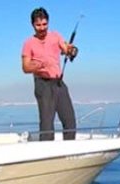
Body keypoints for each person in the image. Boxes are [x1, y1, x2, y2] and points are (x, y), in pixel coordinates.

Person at [21, 7, 79, 141]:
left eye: (44, 24)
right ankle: (46, 152)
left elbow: (67, 49)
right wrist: (39, 65)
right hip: (43, 84)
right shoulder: (28, 43)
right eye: (38, 25)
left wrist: (72, 51)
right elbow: (25, 67)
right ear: (33, 25)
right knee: (47, 126)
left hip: (58, 83)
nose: (42, 28)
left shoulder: (56, 36)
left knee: (70, 121)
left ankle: (69, 150)